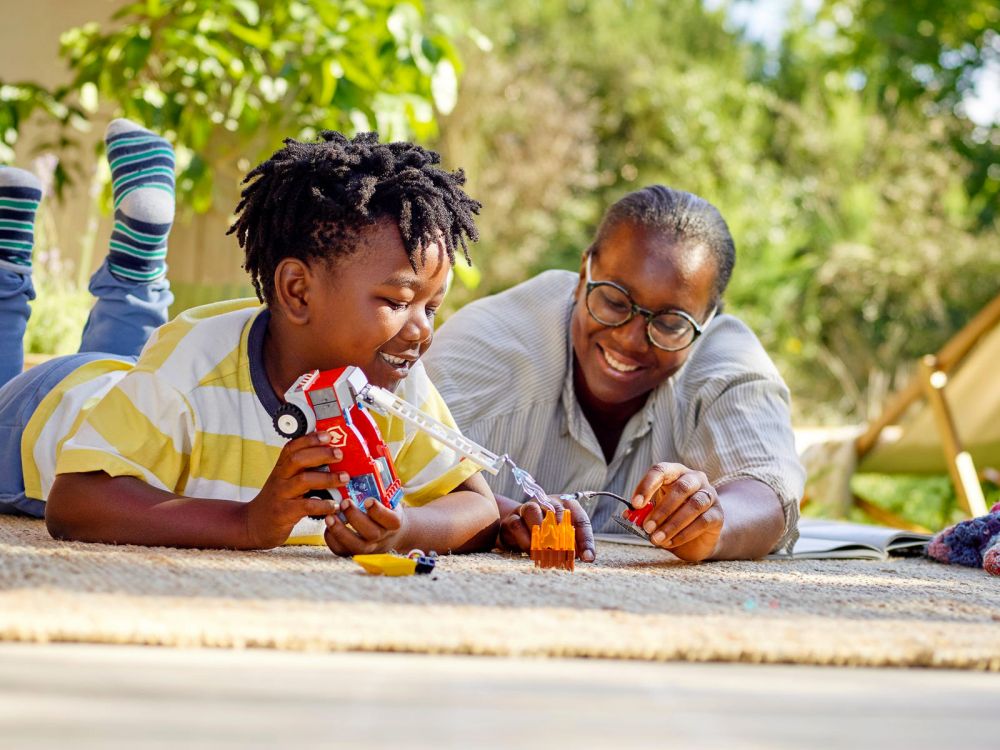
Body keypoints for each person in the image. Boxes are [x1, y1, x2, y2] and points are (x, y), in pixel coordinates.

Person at [0, 119, 499, 555]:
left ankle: (138, 255)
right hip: (42, 412)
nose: (422, 331)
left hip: (132, 389)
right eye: (396, 302)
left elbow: (475, 504)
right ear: (297, 291)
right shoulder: (194, 361)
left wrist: (406, 527)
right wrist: (245, 522)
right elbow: (76, 503)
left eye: (431, 307)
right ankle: (9, 269)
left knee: (136, 361)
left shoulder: (391, 378)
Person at [423, 185, 804, 562]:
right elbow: (397, 462)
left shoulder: (729, 360)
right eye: (613, 300)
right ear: (583, 272)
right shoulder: (488, 345)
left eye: (671, 323)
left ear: (709, 319)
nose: (630, 339)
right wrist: (504, 514)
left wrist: (714, 522)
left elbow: (769, 490)